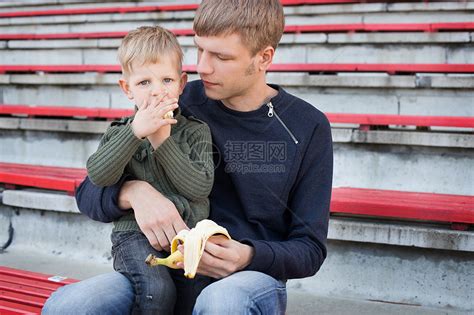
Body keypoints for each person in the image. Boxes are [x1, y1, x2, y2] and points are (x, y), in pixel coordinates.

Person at [42, 0, 333, 314]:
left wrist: (247, 255)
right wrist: (135, 193)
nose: (203, 67)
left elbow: (310, 249)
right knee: (70, 305)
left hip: (244, 280)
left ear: (264, 58)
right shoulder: (177, 97)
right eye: (199, 50)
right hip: (161, 270)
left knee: (221, 302)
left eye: (221, 56)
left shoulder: (307, 126)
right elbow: (88, 192)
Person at [83, 25, 214, 313]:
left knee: (195, 294)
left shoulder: (196, 132)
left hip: (186, 236)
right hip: (134, 236)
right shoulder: (120, 132)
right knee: (157, 290)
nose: (157, 91)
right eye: (144, 83)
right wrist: (134, 134)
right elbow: (99, 175)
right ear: (126, 89)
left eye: (166, 80)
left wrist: (163, 142)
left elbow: (200, 187)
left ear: (181, 84)